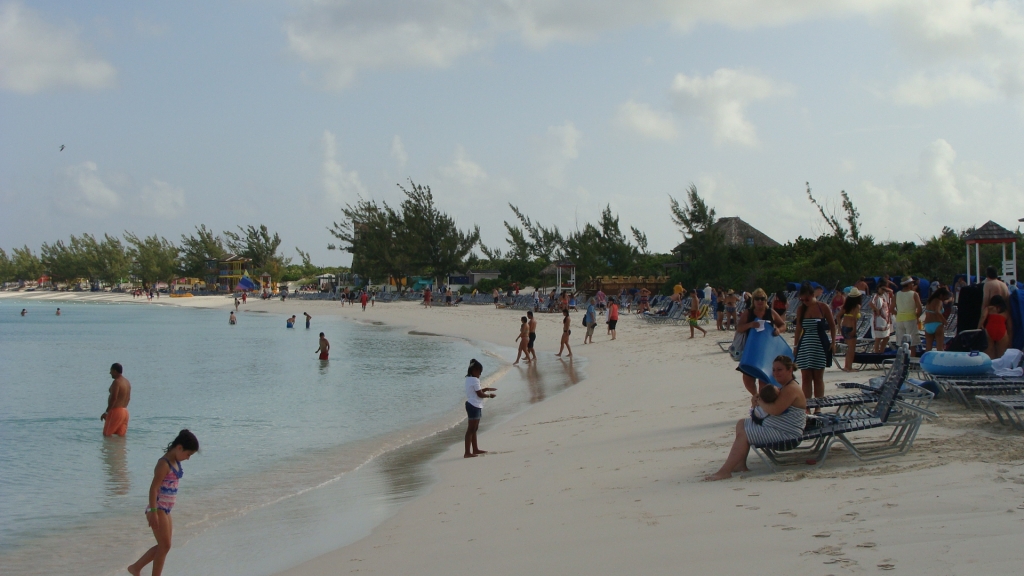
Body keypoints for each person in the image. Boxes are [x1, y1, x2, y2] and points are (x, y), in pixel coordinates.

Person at [705, 356, 806, 481]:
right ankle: (740, 464)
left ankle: (725, 471)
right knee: (742, 423)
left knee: (744, 435)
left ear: (790, 370)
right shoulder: (784, 386)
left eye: (779, 370)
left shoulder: (791, 388)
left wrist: (760, 401)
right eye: (774, 370)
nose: (775, 373)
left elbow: (775, 410)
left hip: (788, 434)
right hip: (778, 427)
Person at [127, 430, 199, 576]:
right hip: (157, 508)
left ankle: (135, 568)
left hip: (166, 510)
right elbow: (153, 489)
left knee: (165, 546)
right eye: (188, 454)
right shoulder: (163, 464)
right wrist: (153, 512)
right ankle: (140, 570)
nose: (188, 458)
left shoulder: (176, 461)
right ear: (179, 448)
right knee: (164, 546)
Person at [793, 282, 835, 409]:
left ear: (813, 295)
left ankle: (818, 407)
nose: (805, 301)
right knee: (806, 378)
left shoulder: (823, 307)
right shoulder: (801, 309)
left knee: (818, 378)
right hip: (806, 344)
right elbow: (798, 328)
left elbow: (833, 325)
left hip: (820, 344)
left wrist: (833, 342)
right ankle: (807, 407)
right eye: (802, 299)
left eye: (807, 299)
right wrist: (795, 346)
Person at [736, 288, 786, 395]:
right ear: (753, 300)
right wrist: (750, 325)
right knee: (748, 378)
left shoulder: (770, 312)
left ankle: (763, 402)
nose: (760, 301)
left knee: (764, 379)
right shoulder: (748, 313)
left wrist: (778, 330)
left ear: (766, 300)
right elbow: (739, 328)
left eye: (762, 299)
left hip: (767, 350)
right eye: (757, 299)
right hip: (751, 349)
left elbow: (783, 325)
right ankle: (756, 397)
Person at [464, 359, 496, 458]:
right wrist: (489, 395)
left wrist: (485, 389)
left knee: (474, 429)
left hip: (473, 404)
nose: (480, 374)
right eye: (479, 372)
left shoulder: (469, 379)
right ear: (474, 370)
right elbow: (479, 394)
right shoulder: (475, 380)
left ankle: (475, 449)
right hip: (474, 405)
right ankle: (467, 452)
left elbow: (476, 392)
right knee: (471, 429)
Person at [893, 277, 923, 355]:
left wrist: (898, 314)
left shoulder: (897, 294)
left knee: (901, 343)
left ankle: (902, 360)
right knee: (912, 343)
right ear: (909, 284)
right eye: (912, 283)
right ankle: (911, 360)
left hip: (900, 319)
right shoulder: (914, 294)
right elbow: (920, 308)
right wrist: (917, 316)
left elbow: (891, 309)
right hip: (910, 318)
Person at [102, 363, 131, 437]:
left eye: (111, 371)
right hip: (125, 412)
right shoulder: (127, 382)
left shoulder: (117, 382)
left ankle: (108, 449)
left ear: (115, 371)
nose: (110, 373)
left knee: (106, 435)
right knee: (120, 438)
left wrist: (106, 412)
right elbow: (128, 398)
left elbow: (114, 398)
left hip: (116, 411)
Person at [980, 295, 1013, 360]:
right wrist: (1010, 340)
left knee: (989, 355)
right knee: (1001, 356)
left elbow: (983, 317)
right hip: (1002, 331)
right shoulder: (1006, 312)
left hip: (990, 330)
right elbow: (1010, 327)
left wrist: (979, 326)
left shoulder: (989, 308)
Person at [839, 287, 863, 372]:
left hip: (844, 327)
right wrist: (854, 330)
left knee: (849, 348)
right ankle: (849, 367)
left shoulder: (846, 306)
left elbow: (838, 316)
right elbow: (854, 319)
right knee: (851, 349)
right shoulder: (856, 306)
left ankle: (846, 366)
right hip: (850, 327)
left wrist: (839, 327)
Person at [922, 287, 951, 352]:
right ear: (941, 295)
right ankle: (939, 361)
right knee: (939, 347)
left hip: (928, 325)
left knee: (928, 347)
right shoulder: (938, 301)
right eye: (945, 297)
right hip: (937, 324)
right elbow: (937, 311)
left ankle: (927, 361)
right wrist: (944, 321)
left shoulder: (929, 301)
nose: (944, 299)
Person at [870, 284, 892, 353]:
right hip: (878, 319)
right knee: (878, 338)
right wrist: (876, 309)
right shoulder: (875, 295)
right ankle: (877, 352)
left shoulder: (884, 295)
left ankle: (881, 351)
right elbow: (870, 303)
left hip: (885, 319)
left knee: (887, 337)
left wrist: (885, 288)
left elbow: (891, 291)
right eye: (882, 289)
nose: (883, 291)